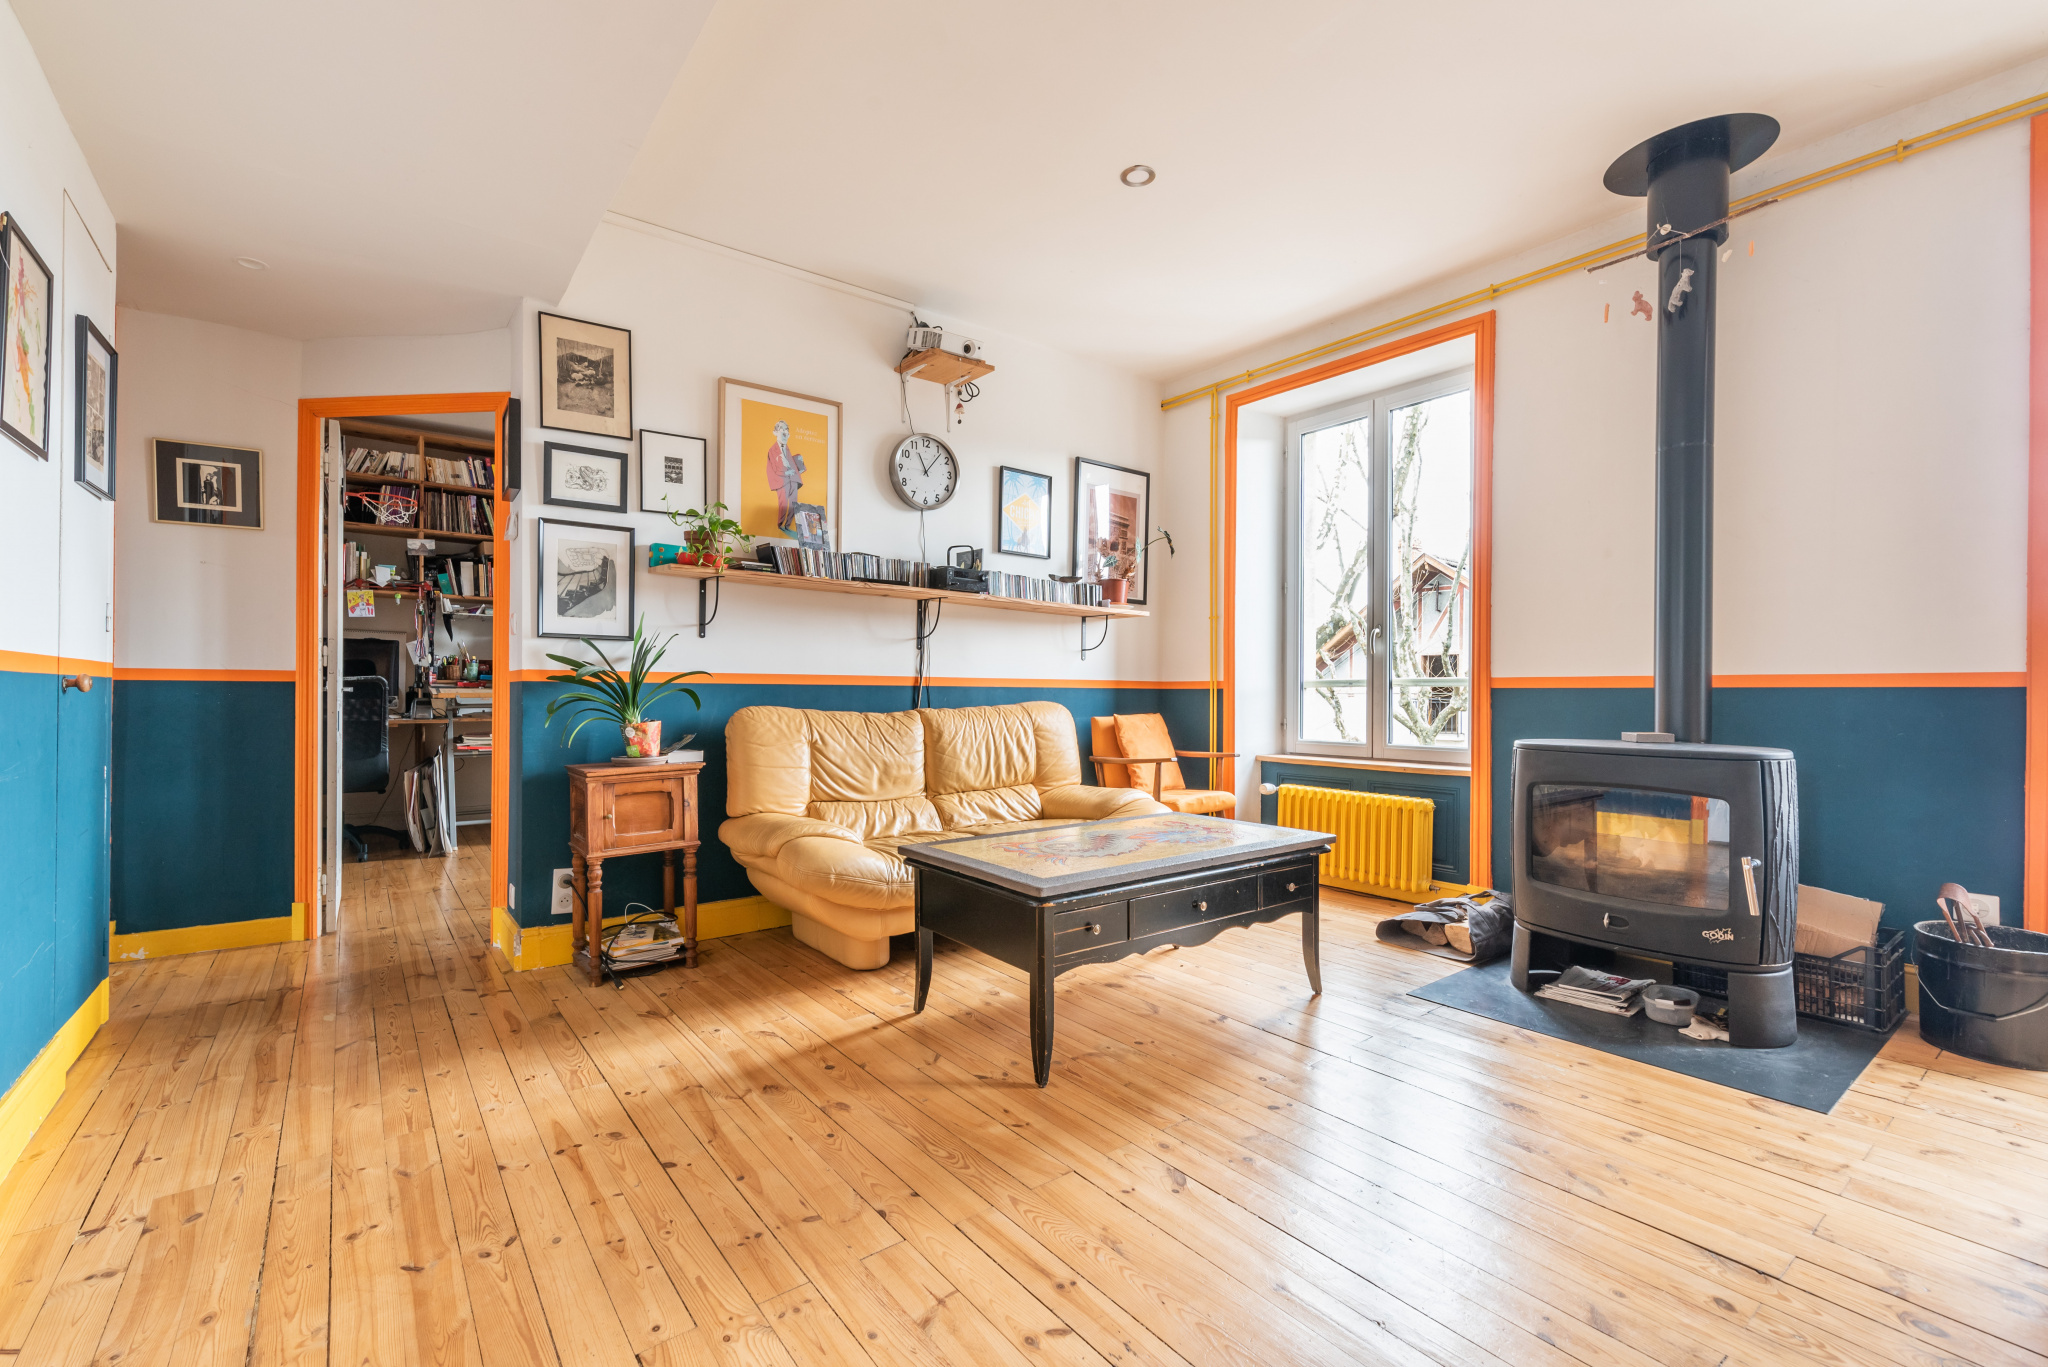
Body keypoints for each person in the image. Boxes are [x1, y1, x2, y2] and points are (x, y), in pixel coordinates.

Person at [764, 420, 804, 531]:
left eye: (786, 430)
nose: (785, 433)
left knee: (793, 504)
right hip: (782, 481)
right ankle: (780, 525)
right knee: (783, 504)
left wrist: (798, 459)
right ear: (775, 432)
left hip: (793, 480)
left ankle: (788, 525)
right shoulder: (772, 450)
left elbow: (788, 461)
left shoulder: (786, 447)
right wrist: (786, 473)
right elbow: (775, 467)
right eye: (782, 429)